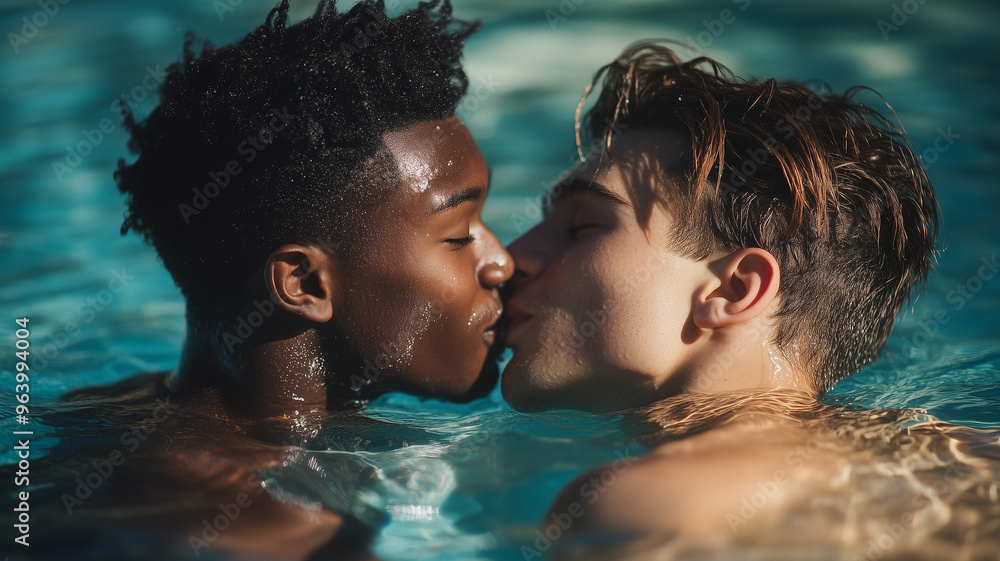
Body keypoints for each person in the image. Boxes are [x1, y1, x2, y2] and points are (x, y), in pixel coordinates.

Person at [18, 1, 512, 558]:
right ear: (304, 285)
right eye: (457, 235)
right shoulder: (277, 535)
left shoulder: (102, 412)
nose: (501, 262)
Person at [500, 43, 998, 560]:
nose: (511, 258)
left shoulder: (641, 509)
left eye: (582, 226)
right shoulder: (968, 459)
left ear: (733, 290)